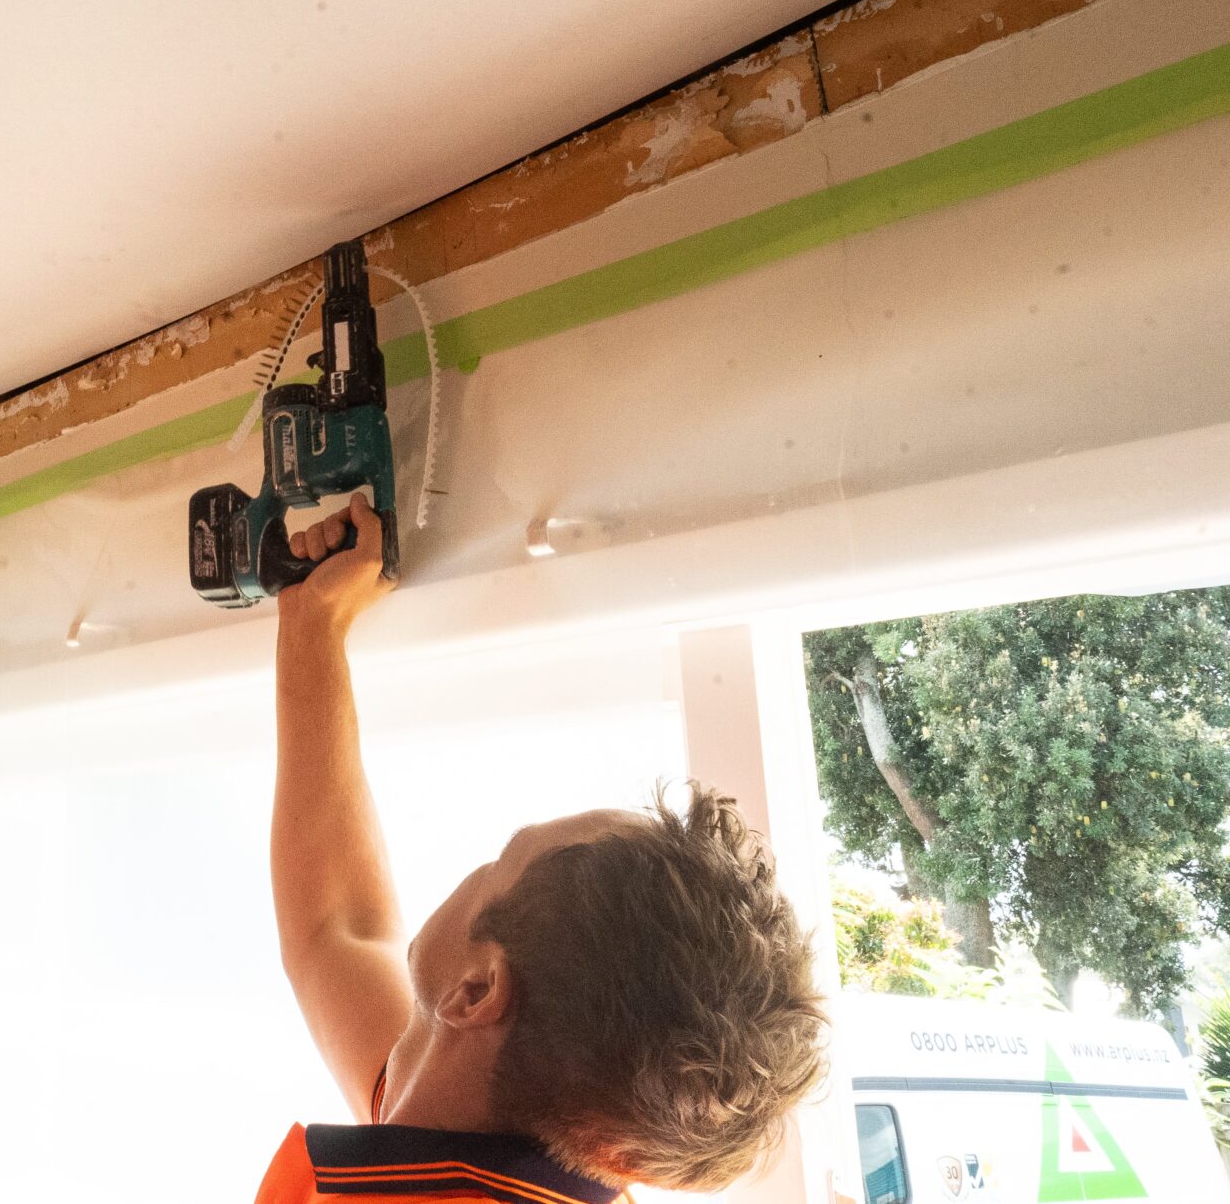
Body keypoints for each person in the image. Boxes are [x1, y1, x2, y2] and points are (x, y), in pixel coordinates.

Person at [260, 494, 828, 1203]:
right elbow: (335, 930)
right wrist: (312, 622)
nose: (478, 867)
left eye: (504, 856)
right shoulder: (494, 1130)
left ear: (477, 991)